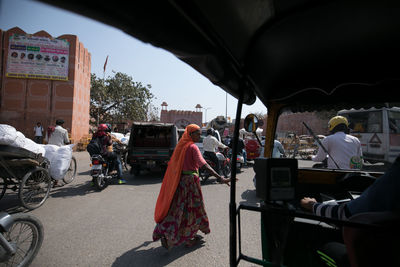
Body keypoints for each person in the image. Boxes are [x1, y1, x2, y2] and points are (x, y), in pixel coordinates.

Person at [153, 124, 231, 250]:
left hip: (179, 182)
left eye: (201, 133)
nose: (200, 136)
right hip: (191, 183)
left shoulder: (181, 146)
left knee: (176, 209)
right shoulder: (192, 147)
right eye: (198, 133)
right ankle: (189, 238)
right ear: (190, 134)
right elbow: (203, 165)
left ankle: (167, 235)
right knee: (193, 210)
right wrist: (220, 177)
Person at [301, 155, 400, 221]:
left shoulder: (395, 177)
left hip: (336, 181)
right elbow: (358, 160)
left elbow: (346, 214)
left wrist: (313, 205)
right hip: (354, 176)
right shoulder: (356, 140)